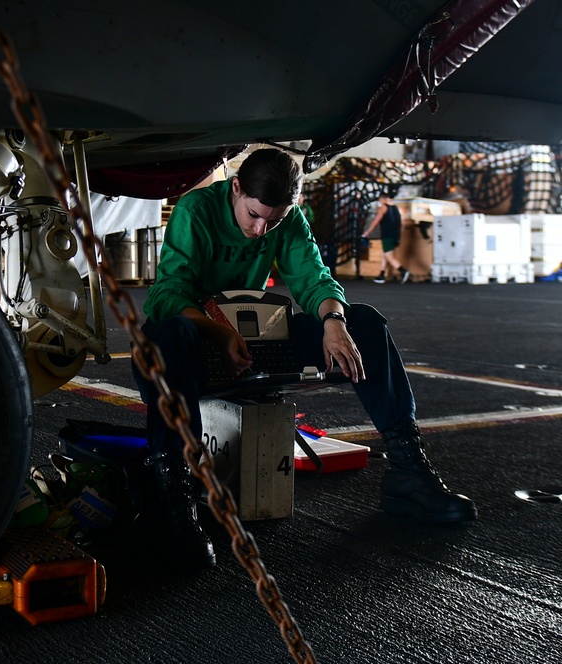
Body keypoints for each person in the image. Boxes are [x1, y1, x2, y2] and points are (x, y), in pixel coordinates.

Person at [133, 148, 476, 569]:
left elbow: (314, 278)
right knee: (173, 334)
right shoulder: (195, 209)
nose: (261, 230)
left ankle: (408, 472)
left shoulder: (287, 219)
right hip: (189, 340)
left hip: (253, 337)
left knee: (364, 323)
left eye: (273, 221)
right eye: (254, 216)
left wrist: (334, 322)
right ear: (236, 188)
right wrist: (217, 331)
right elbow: (167, 294)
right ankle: (173, 500)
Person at [363, 195, 409, 283]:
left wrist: (367, 232)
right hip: (395, 235)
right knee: (384, 254)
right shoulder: (397, 209)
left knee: (389, 256)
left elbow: (376, 222)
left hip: (387, 235)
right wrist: (399, 236)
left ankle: (403, 270)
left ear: (382, 199)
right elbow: (402, 223)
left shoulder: (383, 208)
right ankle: (382, 274)